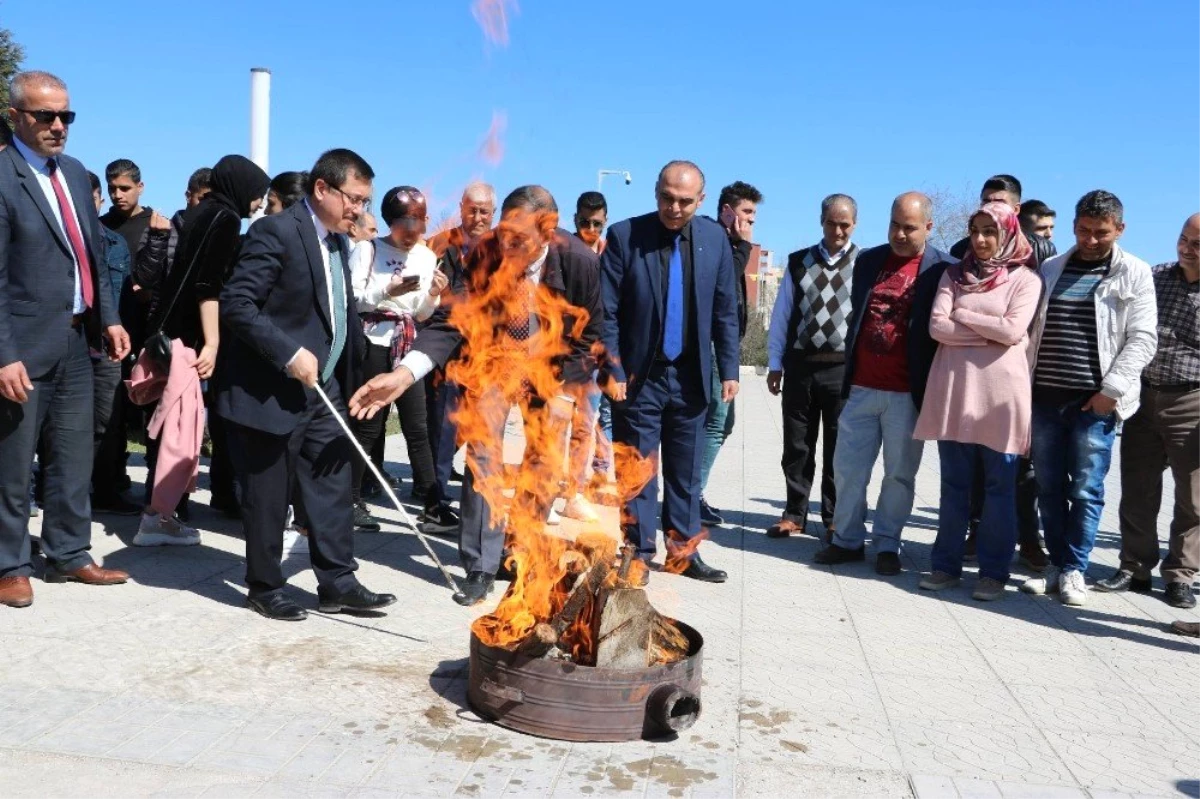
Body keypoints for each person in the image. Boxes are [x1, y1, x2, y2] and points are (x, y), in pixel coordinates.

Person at [349, 186, 603, 606]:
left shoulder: (578, 260)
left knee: (542, 460)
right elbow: (453, 319)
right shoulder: (487, 252)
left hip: (550, 368)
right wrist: (404, 372)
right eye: (505, 233)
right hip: (495, 361)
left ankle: (518, 548)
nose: (508, 245)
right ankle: (479, 564)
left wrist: (565, 393)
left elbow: (589, 335)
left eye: (520, 238)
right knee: (482, 455)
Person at [215, 148, 395, 621]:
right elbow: (237, 304)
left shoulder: (336, 241)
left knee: (332, 484)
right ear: (323, 189)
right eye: (354, 199)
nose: (360, 209)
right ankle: (264, 584)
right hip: (271, 391)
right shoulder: (275, 232)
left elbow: (336, 310)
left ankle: (338, 580)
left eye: (364, 200)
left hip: (324, 389)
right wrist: (289, 353)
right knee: (269, 496)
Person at [0, 70, 132, 608]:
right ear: (15, 118)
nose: (58, 126)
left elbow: (92, 257)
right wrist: (4, 354)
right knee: (12, 462)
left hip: (80, 341)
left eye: (66, 116)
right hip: (23, 346)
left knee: (74, 454)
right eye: (45, 116)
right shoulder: (3, 175)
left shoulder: (75, 174)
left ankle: (69, 554)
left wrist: (111, 317)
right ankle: (10, 564)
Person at [600, 160, 740, 584]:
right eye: (667, 198)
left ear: (700, 199)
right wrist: (614, 368)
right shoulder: (625, 236)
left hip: (692, 376)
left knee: (686, 470)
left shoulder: (715, 238)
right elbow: (605, 312)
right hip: (639, 376)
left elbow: (724, 308)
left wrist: (729, 367)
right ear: (656, 192)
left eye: (684, 201)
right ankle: (637, 553)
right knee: (637, 469)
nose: (674, 208)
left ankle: (682, 552)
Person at [1021, 190, 1157, 606]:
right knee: (1047, 486)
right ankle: (1057, 565)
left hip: (1094, 404)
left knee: (1085, 489)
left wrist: (1110, 392)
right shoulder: (1051, 267)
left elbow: (1142, 338)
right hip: (1044, 398)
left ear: (1119, 228)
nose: (1090, 240)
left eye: (1100, 233)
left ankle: (1075, 569)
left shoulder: (1133, 272)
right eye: (1083, 230)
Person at [814, 192, 955, 576]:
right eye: (894, 224)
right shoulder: (869, 261)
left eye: (909, 227)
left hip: (907, 394)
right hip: (860, 387)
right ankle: (845, 540)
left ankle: (888, 544)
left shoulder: (943, 269)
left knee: (899, 475)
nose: (899, 233)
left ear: (928, 227)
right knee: (847, 470)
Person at [135, 154, 270, 547]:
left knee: (169, 430)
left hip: (167, 332)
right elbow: (207, 286)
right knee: (181, 433)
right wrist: (212, 342)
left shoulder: (197, 212)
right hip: (189, 340)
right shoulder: (225, 219)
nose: (259, 203)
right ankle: (157, 519)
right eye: (257, 194)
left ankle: (159, 515)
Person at [915, 202, 1043, 600]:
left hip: (1001, 399)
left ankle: (993, 573)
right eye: (977, 231)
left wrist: (964, 315)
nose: (983, 239)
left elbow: (1014, 330)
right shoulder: (954, 274)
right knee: (954, 486)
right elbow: (938, 326)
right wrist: (993, 332)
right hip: (955, 391)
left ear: (1008, 232)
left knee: (999, 488)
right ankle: (945, 566)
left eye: (991, 231)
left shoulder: (1026, 280)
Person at [1097, 213, 1200, 610]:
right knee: (1138, 488)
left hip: (1191, 401)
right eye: (1183, 238)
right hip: (1143, 396)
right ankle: (1134, 567)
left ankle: (1180, 575)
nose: (1186, 249)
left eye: (1196, 244)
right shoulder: (1153, 278)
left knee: (1193, 497)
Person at [951, 175, 1052, 571]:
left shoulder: (1038, 252)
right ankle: (978, 534)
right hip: (973, 375)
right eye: (987, 201)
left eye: (1001, 202)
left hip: (1023, 374)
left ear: (1017, 208)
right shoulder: (963, 254)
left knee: (1019, 471)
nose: (982, 236)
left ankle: (1028, 539)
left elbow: (1023, 324)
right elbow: (942, 319)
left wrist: (966, 317)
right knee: (977, 468)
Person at [347, 187, 447, 531]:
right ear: (391, 223)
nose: (410, 238)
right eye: (405, 231)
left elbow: (420, 314)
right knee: (369, 422)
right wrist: (387, 292)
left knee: (417, 426)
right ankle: (350, 499)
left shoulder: (425, 255)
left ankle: (433, 504)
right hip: (373, 341)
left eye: (417, 230)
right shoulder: (368, 249)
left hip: (408, 346)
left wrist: (432, 295)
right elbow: (355, 299)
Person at [765, 193, 859, 540]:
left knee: (839, 446)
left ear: (854, 224)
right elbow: (782, 316)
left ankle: (834, 516)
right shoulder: (798, 262)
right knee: (797, 445)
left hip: (843, 371)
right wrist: (775, 363)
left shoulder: (864, 264)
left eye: (845, 224)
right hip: (801, 368)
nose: (838, 230)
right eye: (832, 222)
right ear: (822, 221)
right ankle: (794, 513)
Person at [421, 183, 497, 534]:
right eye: (472, 209)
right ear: (461, 207)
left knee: (471, 425)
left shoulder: (501, 247)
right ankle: (434, 502)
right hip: (446, 346)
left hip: (484, 352)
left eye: (485, 211)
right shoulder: (439, 243)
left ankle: (461, 493)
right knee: (442, 422)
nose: (478, 217)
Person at [698, 180, 761, 526]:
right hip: (710, 345)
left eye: (753, 215)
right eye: (746, 213)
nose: (751, 222)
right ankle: (691, 496)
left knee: (724, 423)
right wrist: (744, 247)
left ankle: (693, 492)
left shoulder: (729, 242)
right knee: (716, 420)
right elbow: (722, 283)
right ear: (726, 211)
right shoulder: (712, 238)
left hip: (724, 347)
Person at [86, 171, 139, 516]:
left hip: (106, 347)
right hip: (66, 343)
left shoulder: (115, 242)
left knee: (107, 421)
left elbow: (119, 297)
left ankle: (105, 490)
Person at [571, 191, 613, 501]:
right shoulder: (563, 251)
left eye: (597, 223)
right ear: (575, 220)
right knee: (555, 424)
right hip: (560, 352)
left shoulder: (611, 255)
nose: (591, 229)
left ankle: (577, 488)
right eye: (585, 222)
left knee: (587, 422)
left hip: (596, 353)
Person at [170, 166, 214, 238]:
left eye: (212, 202)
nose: (207, 206)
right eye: (202, 200)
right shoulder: (161, 234)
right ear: (188, 196)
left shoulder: (216, 239)